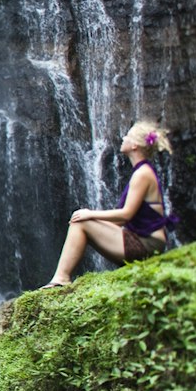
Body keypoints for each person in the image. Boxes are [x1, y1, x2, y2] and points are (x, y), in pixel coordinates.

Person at [42, 120, 178, 288]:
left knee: (81, 221)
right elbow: (122, 221)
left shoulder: (142, 174)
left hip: (146, 244)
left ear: (135, 145)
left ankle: (61, 278)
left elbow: (126, 214)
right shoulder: (143, 171)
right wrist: (94, 222)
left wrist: (90, 214)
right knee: (83, 221)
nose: (123, 138)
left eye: (127, 136)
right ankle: (61, 277)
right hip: (144, 241)